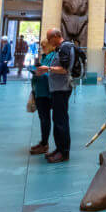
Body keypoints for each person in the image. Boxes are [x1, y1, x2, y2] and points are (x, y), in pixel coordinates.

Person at [37, 28, 73, 163]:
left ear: (57, 36)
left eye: (50, 38)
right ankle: (59, 149)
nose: (48, 41)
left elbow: (65, 69)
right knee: (57, 120)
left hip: (62, 89)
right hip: (57, 89)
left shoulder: (65, 48)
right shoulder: (59, 48)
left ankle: (64, 153)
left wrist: (48, 68)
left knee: (61, 121)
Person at [28, 40, 55, 155]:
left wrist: (40, 73)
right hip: (39, 91)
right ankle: (43, 141)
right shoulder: (44, 56)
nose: (42, 48)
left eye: (44, 46)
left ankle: (44, 144)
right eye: (41, 46)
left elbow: (52, 73)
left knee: (45, 119)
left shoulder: (53, 56)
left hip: (46, 92)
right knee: (42, 118)